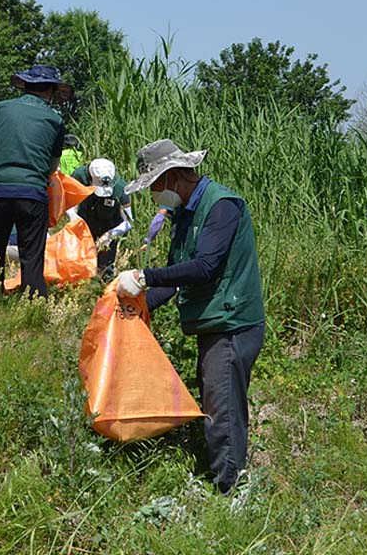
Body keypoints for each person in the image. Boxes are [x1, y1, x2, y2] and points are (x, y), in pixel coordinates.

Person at [115, 139, 265, 493]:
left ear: (173, 176)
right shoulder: (185, 213)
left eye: (154, 185)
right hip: (213, 322)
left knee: (222, 407)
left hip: (233, 324)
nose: (153, 193)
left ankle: (230, 490)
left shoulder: (221, 206)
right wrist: (137, 307)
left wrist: (143, 277)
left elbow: (204, 268)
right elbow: (176, 275)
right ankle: (229, 478)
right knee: (219, 400)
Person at [0, 65, 70, 298]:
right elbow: (52, 166)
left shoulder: (0, 109)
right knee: (31, 253)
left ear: (26, 85)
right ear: (50, 90)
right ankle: (32, 302)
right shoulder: (55, 120)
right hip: (32, 193)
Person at [69, 158, 132, 275]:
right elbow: (67, 199)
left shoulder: (121, 188)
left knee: (105, 267)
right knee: (80, 262)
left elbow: (130, 221)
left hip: (110, 226)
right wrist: (73, 215)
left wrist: (110, 235)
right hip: (85, 222)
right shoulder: (79, 176)